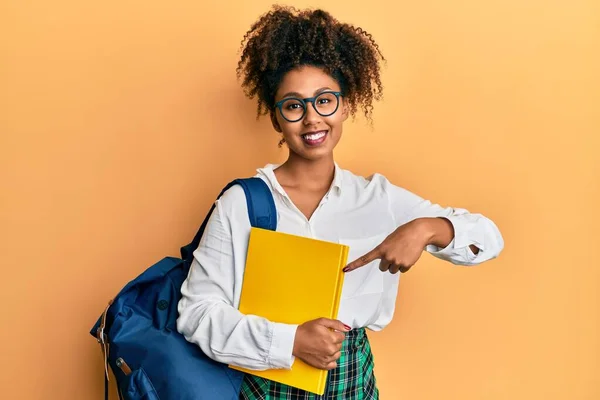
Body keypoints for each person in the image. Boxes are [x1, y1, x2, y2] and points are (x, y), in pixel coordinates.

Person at [177, 5, 504, 399]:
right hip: (263, 383)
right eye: (294, 105)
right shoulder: (241, 203)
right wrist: (290, 341)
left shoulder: (377, 199)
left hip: (352, 383)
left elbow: (489, 239)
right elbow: (196, 314)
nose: (312, 118)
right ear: (276, 118)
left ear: (346, 104)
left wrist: (428, 228)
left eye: (325, 100)